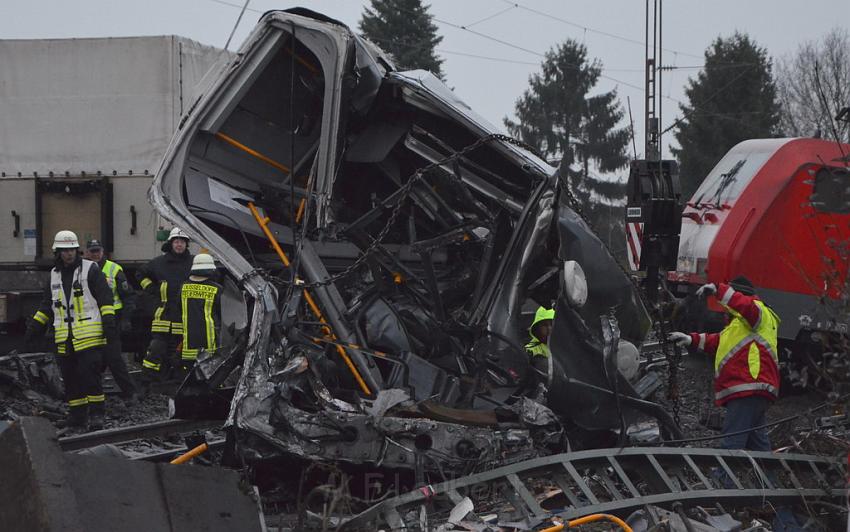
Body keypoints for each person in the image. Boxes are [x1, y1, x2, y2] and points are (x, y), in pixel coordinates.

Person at [668, 276, 780, 451]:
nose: (726, 310)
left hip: (747, 386)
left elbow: (743, 305)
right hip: (754, 390)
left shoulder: (756, 311)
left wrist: (718, 290)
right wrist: (691, 339)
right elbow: (719, 341)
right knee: (758, 446)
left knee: (731, 444)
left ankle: (724, 478)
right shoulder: (742, 325)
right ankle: (766, 478)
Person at [24, 230, 116, 433]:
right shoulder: (54, 275)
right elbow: (47, 305)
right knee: (71, 377)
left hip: (89, 335)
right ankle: (77, 417)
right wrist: (35, 328)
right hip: (64, 337)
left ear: (77, 250)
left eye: (72, 250)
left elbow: (105, 299)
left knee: (90, 376)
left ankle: (97, 415)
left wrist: (109, 323)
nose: (69, 254)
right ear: (58, 252)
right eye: (65, 250)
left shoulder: (90, 269)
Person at [85, 239, 138, 403]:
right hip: (91, 320)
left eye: (97, 251)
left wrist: (126, 319)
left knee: (114, 358)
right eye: (92, 251)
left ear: (103, 252)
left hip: (112, 320)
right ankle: (91, 394)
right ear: (87, 252)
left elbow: (128, 296)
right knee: (93, 359)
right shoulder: (82, 270)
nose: (95, 254)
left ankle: (130, 393)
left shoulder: (114, 269)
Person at [137, 228, 193, 382]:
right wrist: (150, 288)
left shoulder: (193, 262)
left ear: (186, 245)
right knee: (156, 349)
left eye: (182, 242)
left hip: (184, 316)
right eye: (176, 242)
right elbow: (140, 274)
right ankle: (148, 381)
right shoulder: (159, 263)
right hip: (164, 316)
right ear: (171, 243)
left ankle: (175, 379)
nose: (179, 245)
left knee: (179, 351)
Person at [180, 254, 223, 366]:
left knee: (189, 374)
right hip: (210, 343)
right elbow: (222, 314)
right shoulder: (216, 289)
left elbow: (178, 309)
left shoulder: (183, 287)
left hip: (188, 342)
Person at [525, 306, 555, 383]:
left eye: (551, 324)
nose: (549, 329)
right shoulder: (531, 348)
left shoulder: (557, 347)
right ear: (537, 327)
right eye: (545, 325)